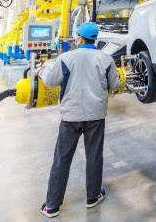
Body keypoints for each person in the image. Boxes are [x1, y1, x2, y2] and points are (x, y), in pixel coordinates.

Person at [38, 22, 122, 218]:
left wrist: (41, 70)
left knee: (62, 158)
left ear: (79, 38)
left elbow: (50, 81)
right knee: (94, 156)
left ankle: (52, 205)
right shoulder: (106, 58)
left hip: (71, 116)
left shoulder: (66, 58)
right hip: (95, 115)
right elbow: (116, 85)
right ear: (95, 38)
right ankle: (93, 197)